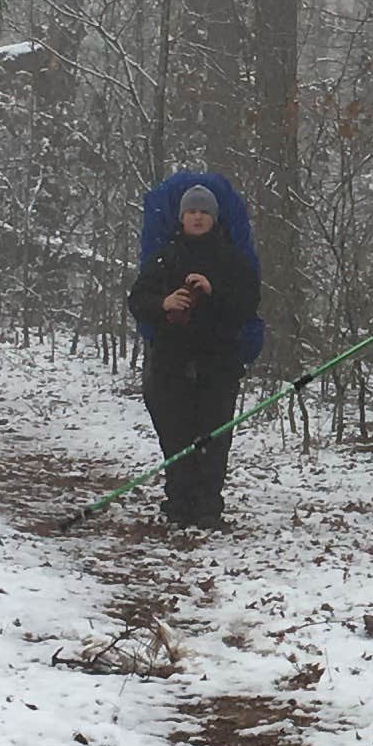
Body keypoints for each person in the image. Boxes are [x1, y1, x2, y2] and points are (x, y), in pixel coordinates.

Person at [125, 177, 260, 531]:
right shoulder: (164, 257)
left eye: (204, 212)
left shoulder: (233, 260)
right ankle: (179, 503)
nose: (197, 217)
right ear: (181, 217)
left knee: (214, 437)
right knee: (175, 435)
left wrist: (213, 292)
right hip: (171, 363)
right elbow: (137, 300)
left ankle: (208, 507)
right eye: (191, 211)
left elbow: (247, 305)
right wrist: (164, 303)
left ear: (214, 218)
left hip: (219, 363)